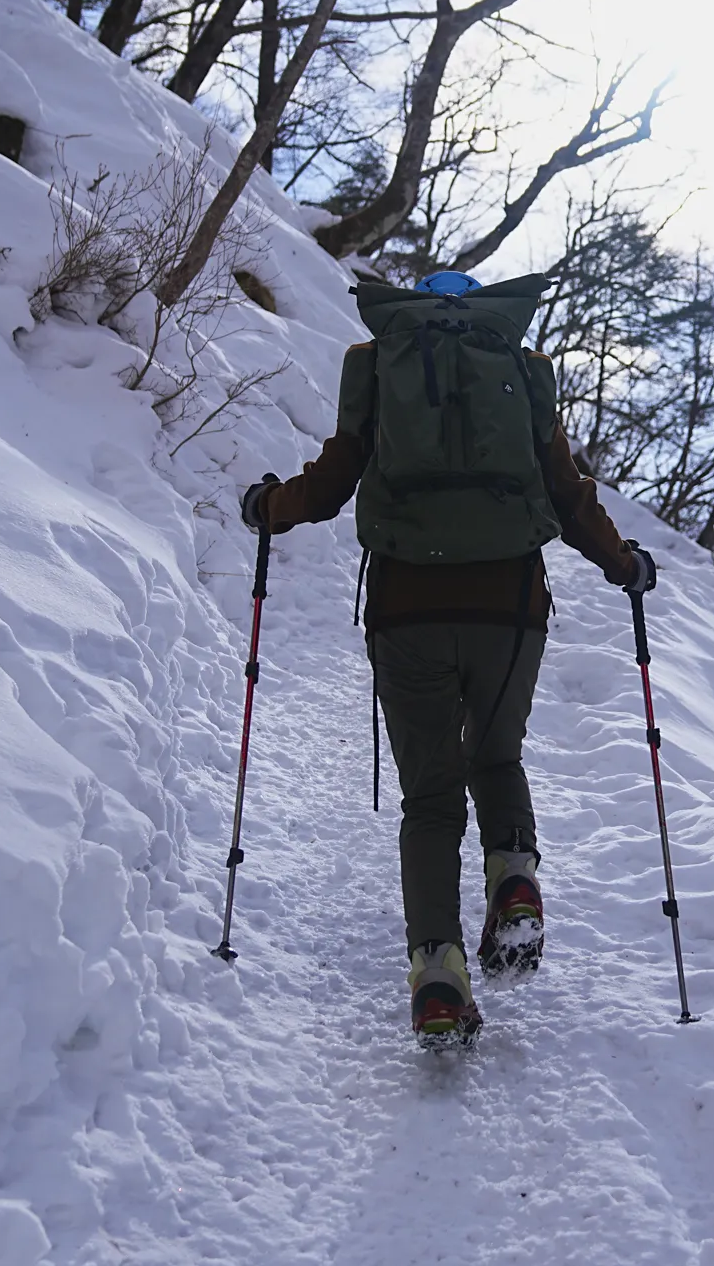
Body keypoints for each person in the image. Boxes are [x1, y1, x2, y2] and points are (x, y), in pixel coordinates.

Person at [242, 268, 655, 1041]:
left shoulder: (375, 360)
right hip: (510, 605)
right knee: (496, 760)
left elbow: (332, 482)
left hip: (407, 608)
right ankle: (515, 877)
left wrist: (269, 508)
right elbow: (566, 494)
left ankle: (438, 974)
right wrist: (623, 563)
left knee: (430, 799)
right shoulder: (524, 369)